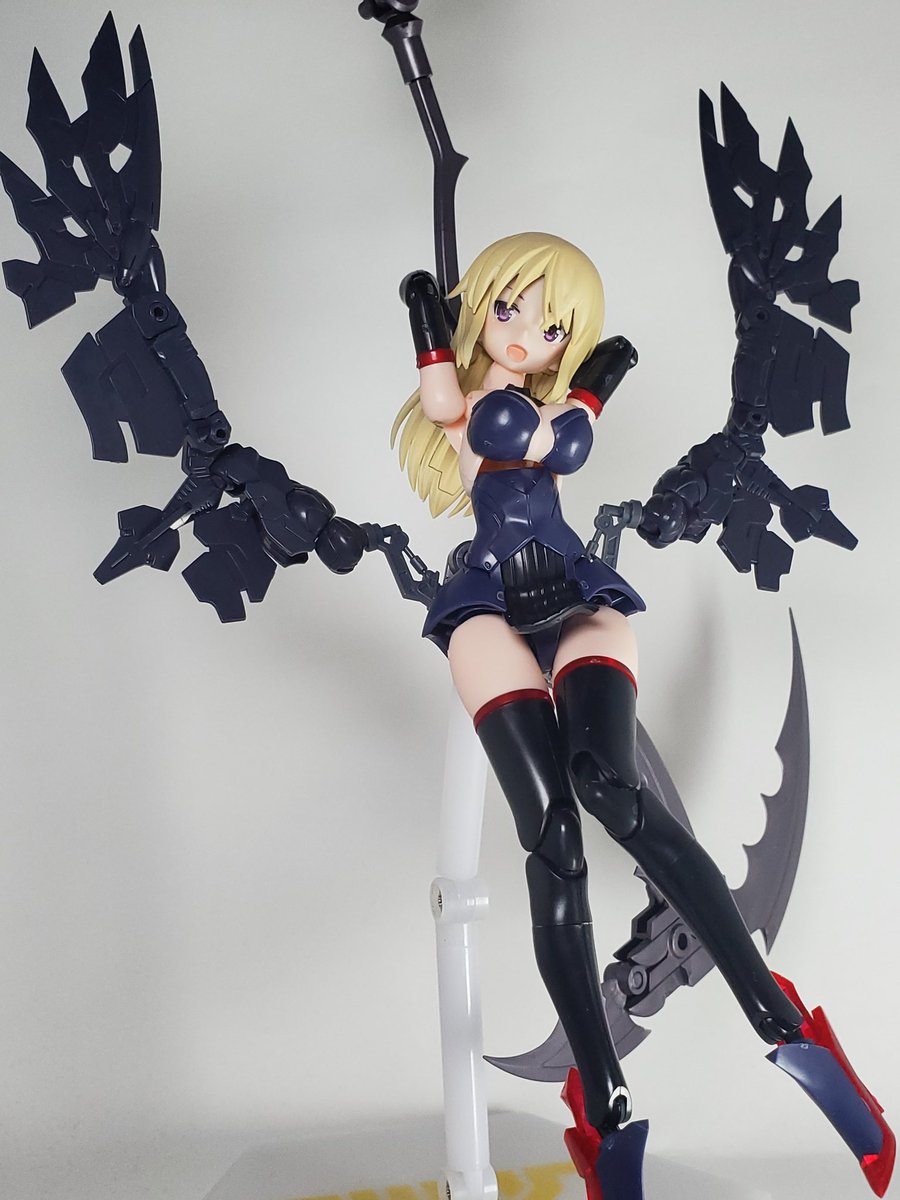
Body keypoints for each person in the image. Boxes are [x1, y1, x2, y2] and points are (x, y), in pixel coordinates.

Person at [396, 232, 891, 1195]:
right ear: (482, 303)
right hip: (488, 603)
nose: (526, 335)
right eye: (512, 309)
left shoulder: (564, 401)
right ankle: (604, 1098)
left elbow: (567, 421)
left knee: (609, 789)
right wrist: (424, 313)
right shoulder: (464, 403)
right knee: (552, 832)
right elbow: (444, 397)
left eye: (552, 326)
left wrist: (599, 377)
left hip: (576, 592)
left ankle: (785, 1024)